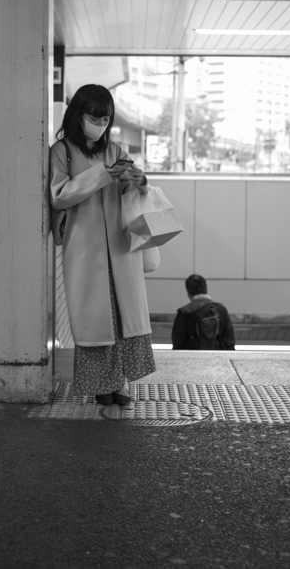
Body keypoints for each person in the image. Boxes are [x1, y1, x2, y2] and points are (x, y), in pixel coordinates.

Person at [49, 84, 154, 409]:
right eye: (95, 117)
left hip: (120, 248)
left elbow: (132, 190)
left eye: (106, 118)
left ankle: (119, 384)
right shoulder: (62, 151)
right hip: (85, 248)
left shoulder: (116, 150)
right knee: (96, 319)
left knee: (123, 318)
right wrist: (101, 176)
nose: (101, 124)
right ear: (78, 115)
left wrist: (138, 181)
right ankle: (100, 386)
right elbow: (59, 195)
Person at [171, 274, 235, 350]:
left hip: (192, 360)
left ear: (188, 292)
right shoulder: (221, 310)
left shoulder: (184, 313)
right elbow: (229, 342)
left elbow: (178, 344)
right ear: (206, 289)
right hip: (217, 359)